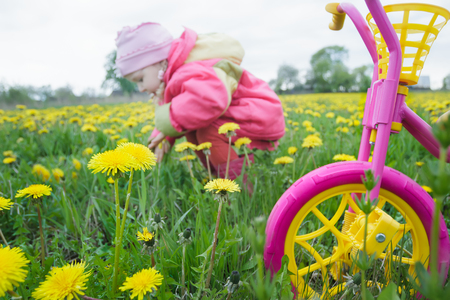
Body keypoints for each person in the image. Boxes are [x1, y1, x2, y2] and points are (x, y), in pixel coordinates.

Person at [115, 22, 285, 180]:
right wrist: (163, 137)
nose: (141, 88)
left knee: (208, 133)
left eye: (140, 79)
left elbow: (209, 101)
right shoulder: (172, 78)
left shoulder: (187, 71)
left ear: (159, 63)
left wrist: (168, 125)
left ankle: (240, 187)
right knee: (193, 129)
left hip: (259, 112)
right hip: (244, 112)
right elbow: (178, 112)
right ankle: (218, 179)